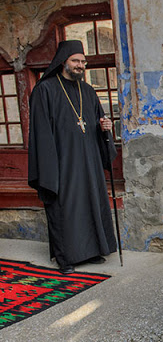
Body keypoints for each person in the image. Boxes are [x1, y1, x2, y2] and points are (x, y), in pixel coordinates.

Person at [28, 40, 117, 274]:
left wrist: (105, 127)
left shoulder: (87, 91)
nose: (80, 66)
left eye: (83, 62)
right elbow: (40, 133)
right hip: (62, 163)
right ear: (63, 62)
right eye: (76, 61)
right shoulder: (45, 90)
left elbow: (97, 122)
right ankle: (65, 257)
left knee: (91, 203)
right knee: (64, 207)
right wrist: (49, 169)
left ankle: (93, 250)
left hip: (89, 162)